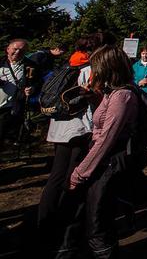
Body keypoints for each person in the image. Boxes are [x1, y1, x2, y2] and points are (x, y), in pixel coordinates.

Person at [68, 45, 140, 259]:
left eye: (95, 67)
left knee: (98, 223)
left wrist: (81, 172)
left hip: (109, 163)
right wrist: (95, 98)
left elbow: (107, 138)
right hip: (102, 161)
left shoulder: (122, 96)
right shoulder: (113, 93)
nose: (92, 71)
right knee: (95, 218)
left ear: (108, 68)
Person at [37, 36, 94, 256]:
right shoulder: (88, 69)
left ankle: (45, 220)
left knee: (56, 176)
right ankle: (66, 222)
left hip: (58, 127)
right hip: (78, 129)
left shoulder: (67, 65)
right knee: (72, 176)